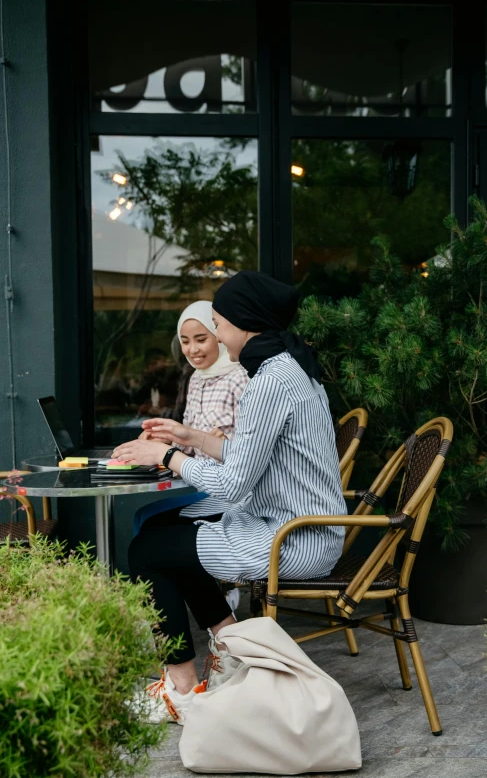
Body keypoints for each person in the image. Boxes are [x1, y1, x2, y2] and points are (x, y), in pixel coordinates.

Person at [113, 272, 346, 725]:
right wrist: (188, 436)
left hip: (293, 540)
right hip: (302, 528)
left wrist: (166, 456)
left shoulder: (269, 382)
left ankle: (180, 689)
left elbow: (235, 483)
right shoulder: (287, 368)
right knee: (164, 533)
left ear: (244, 324)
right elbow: (249, 451)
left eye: (218, 324)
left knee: (146, 551)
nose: (216, 335)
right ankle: (228, 643)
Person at [137, 300, 249, 525]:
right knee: (143, 516)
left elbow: (253, 450)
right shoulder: (196, 378)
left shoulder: (241, 377)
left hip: (232, 494)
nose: (193, 349)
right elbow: (188, 444)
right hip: (198, 484)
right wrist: (164, 439)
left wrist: (224, 443)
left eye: (201, 339)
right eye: (185, 341)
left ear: (219, 335)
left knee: (148, 520)